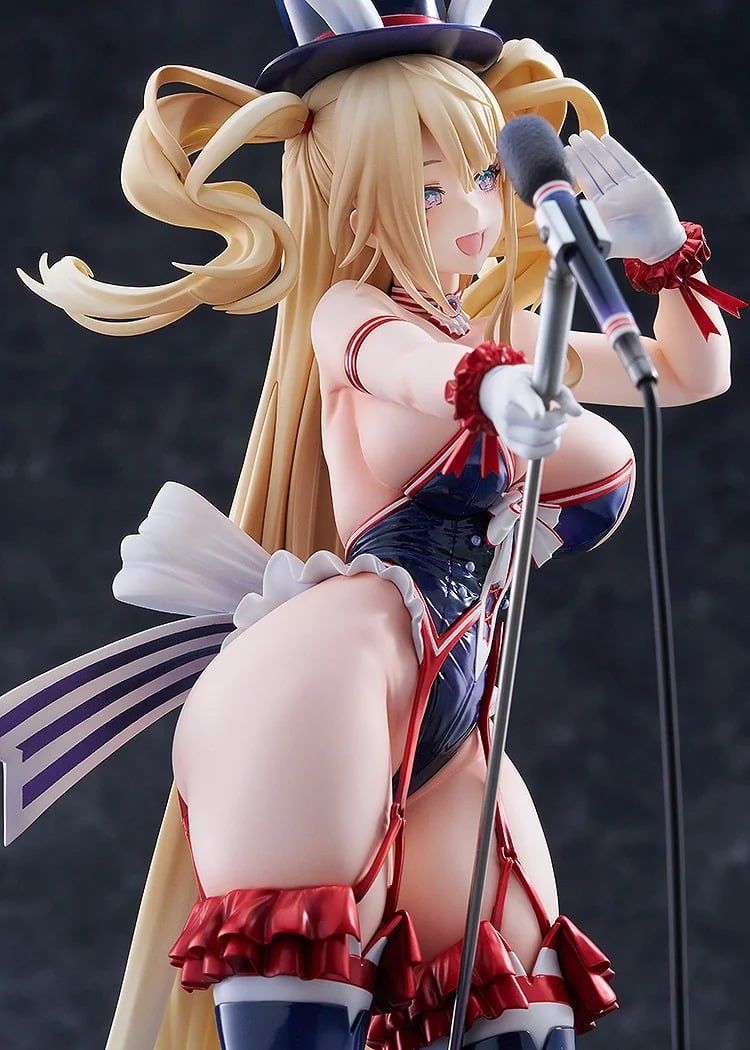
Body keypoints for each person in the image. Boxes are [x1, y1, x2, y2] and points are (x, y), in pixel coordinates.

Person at [6, 2, 739, 1049]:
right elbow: (401, 364)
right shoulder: (353, 310)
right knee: (305, 995)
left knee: (523, 997)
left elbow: (686, 374)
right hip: (347, 669)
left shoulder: (498, 323)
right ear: (355, 195)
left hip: (458, 698)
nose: (471, 213)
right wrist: (487, 388)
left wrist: (664, 254)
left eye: (480, 176)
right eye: (428, 187)